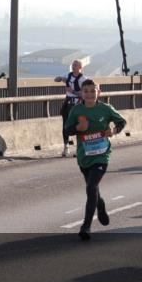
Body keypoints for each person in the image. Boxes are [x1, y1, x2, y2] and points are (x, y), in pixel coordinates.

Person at [65, 80, 127, 241]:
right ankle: (100, 205)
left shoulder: (105, 109)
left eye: (93, 91)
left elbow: (122, 122)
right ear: (81, 93)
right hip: (84, 156)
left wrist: (114, 130)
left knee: (91, 186)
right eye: (86, 91)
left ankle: (86, 226)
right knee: (92, 188)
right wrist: (78, 128)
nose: (89, 94)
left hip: (101, 155)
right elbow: (67, 130)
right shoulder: (76, 110)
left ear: (99, 92)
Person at [55, 60, 89, 157]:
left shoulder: (83, 79)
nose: (73, 66)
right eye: (73, 65)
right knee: (65, 125)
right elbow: (55, 79)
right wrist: (61, 78)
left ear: (80, 67)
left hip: (78, 104)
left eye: (76, 65)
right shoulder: (68, 75)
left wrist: (73, 91)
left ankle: (79, 149)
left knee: (78, 126)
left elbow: (86, 93)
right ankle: (66, 147)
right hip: (68, 102)